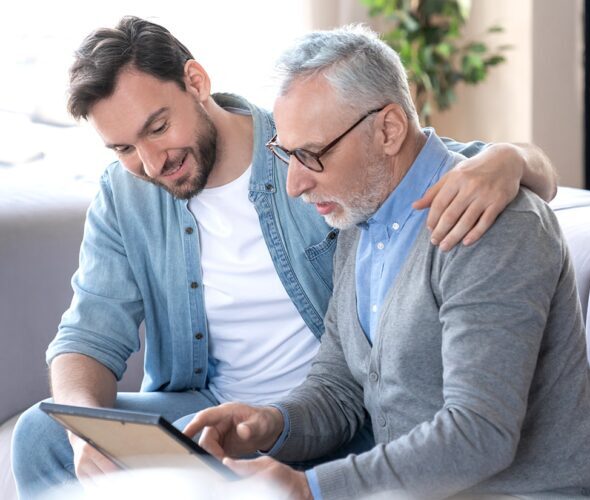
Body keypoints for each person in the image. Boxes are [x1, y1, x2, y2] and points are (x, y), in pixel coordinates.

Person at [11, 17, 557, 499]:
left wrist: (512, 158)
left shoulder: (311, 145)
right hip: (229, 419)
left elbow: (425, 159)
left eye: (157, 128)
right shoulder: (128, 194)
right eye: (124, 148)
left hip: (344, 422)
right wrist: (89, 433)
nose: (152, 163)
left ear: (196, 82)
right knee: (42, 434)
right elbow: (88, 334)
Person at [183, 25, 590, 499]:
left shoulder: (489, 223)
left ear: (388, 130)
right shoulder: (357, 217)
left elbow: (480, 434)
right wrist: (269, 423)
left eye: (310, 156)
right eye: (286, 155)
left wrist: (310, 488)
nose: (294, 185)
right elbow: (340, 390)